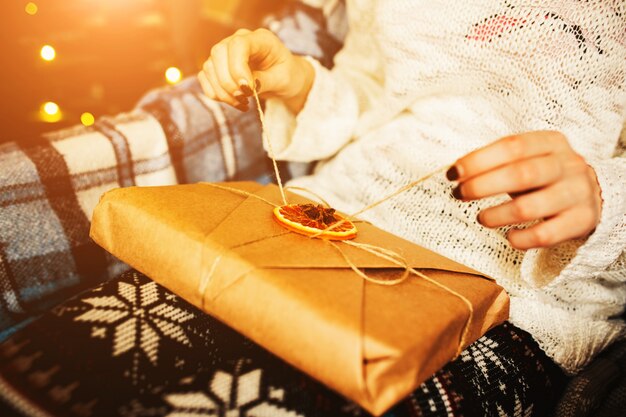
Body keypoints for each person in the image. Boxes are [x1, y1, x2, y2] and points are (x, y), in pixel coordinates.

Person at [196, 0, 626, 414]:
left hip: (512, 295)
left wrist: (604, 198)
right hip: (341, 203)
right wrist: (300, 84)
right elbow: (372, 89)